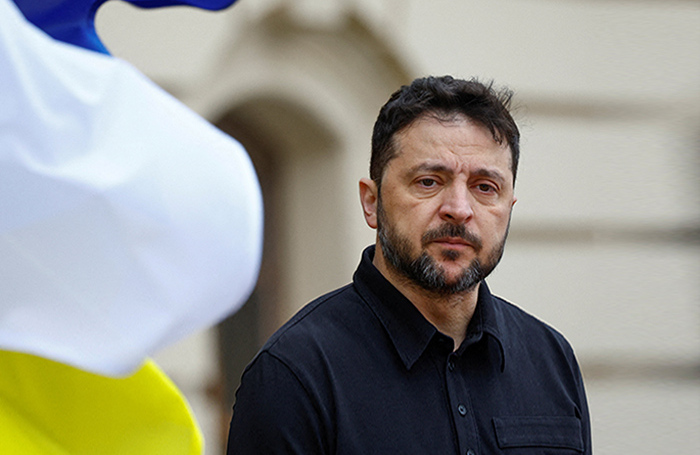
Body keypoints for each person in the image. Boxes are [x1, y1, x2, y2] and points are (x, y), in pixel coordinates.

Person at [227, 75, 592, 454]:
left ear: (509, 206)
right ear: (372, 202)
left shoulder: (551, 360)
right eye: (429, 181)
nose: (459, 209)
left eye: (485, 187)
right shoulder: (294, 374)